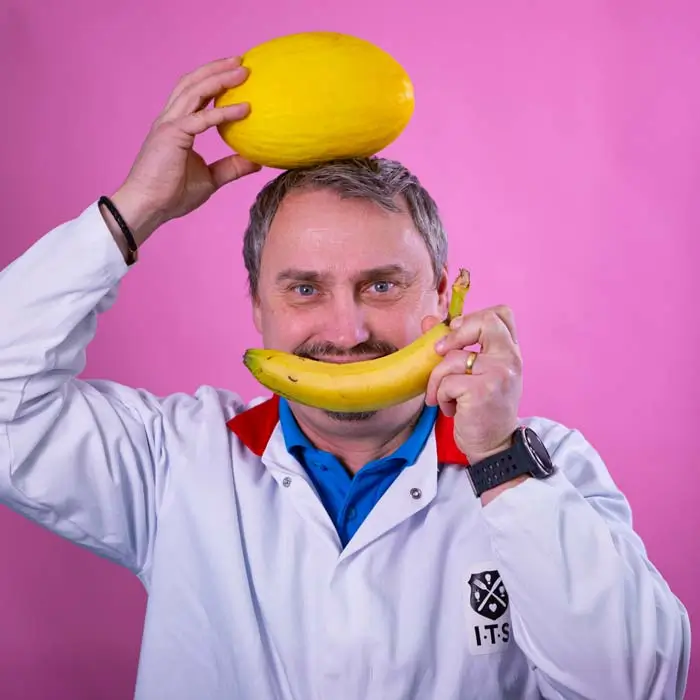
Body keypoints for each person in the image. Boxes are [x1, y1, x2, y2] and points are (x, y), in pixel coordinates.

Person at [0, 56, 690, 700]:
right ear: (258, 306)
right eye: (304, 289)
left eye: (381, 285)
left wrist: (501, 464)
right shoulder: (173, 460)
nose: (347, 330)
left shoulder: (544, 468)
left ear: (442, 295)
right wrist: (133, 210)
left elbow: (639, 683)